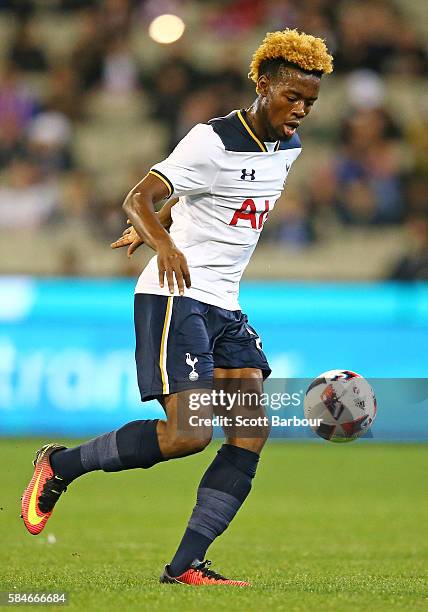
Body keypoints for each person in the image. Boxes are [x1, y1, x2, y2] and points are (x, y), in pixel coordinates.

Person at [21, 29, 333, 586]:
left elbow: (196, 196)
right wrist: (160, 241)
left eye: (310, 101)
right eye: (293, 97)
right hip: (174, 295)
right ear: (262, 85)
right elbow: (136, 196)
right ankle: (59, 465)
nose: (302, 110)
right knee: (190, 435)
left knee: (250, 430)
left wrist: (165, 221)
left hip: (225, 304)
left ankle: (185, 565)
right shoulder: (209, 140)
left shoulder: (288, 149)